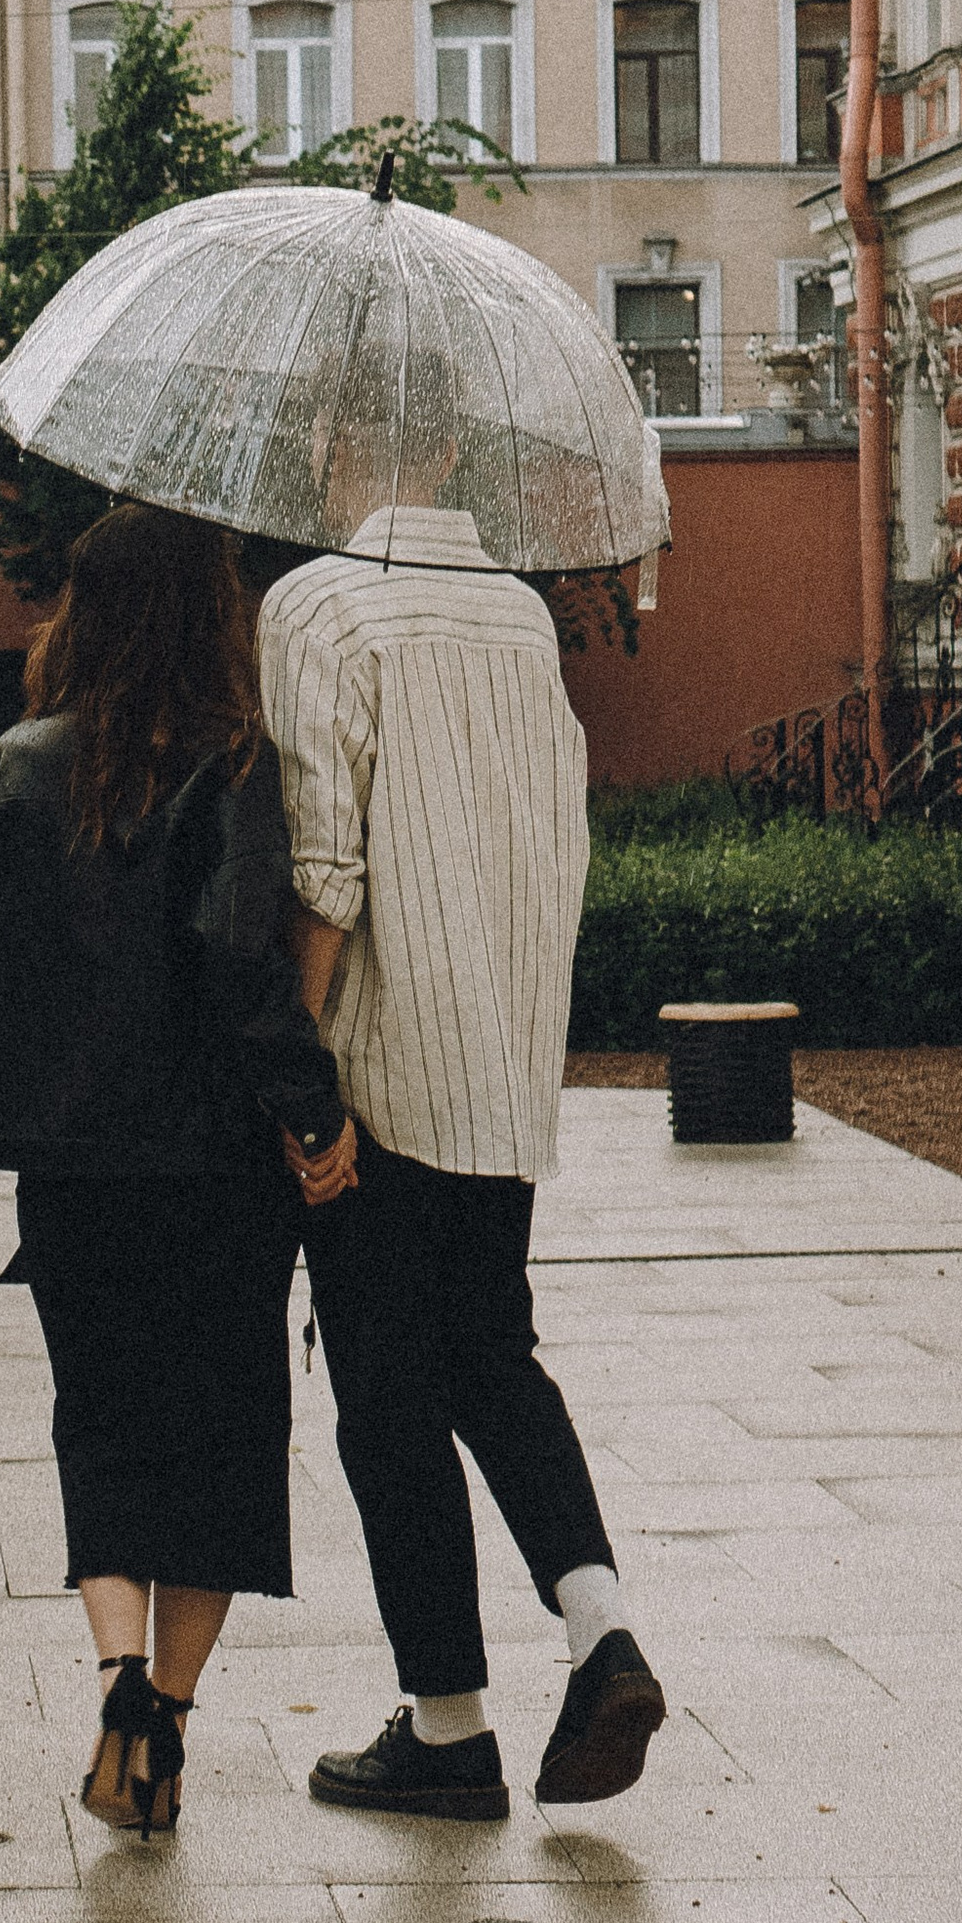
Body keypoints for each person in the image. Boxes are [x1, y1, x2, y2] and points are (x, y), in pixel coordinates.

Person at [257, 483, 666, 1818]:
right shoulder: (518, 616)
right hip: (499, 1066)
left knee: (383, 1394)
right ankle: (600, 1625)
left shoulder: (317, 606)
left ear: (345, 450)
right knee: (491, 1352)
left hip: (377, 1073)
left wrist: (290, 1061)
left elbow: (322, 866)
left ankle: (448, 1729)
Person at [0, 501, 357, 1837]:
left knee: (103, 1422)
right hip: (211, 1169)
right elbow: (244, 963)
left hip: (71, 1165)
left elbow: (3, 959)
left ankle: (117, 1672)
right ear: (210, 623)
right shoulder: (233, 766)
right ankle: (168, 1718)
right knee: (225, 1440)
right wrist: (313, 1116)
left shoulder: (23, 764)